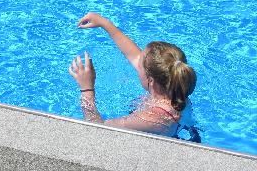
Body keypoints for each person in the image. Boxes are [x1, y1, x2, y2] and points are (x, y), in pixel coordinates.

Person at [69, 12, 197, 137]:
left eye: (139, 66)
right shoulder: (175, 86)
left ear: (151, 80)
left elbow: (98, 129)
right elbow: (134, 55)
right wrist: (104, 23)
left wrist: (87, 89)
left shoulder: (152, 118)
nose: (136, 62)